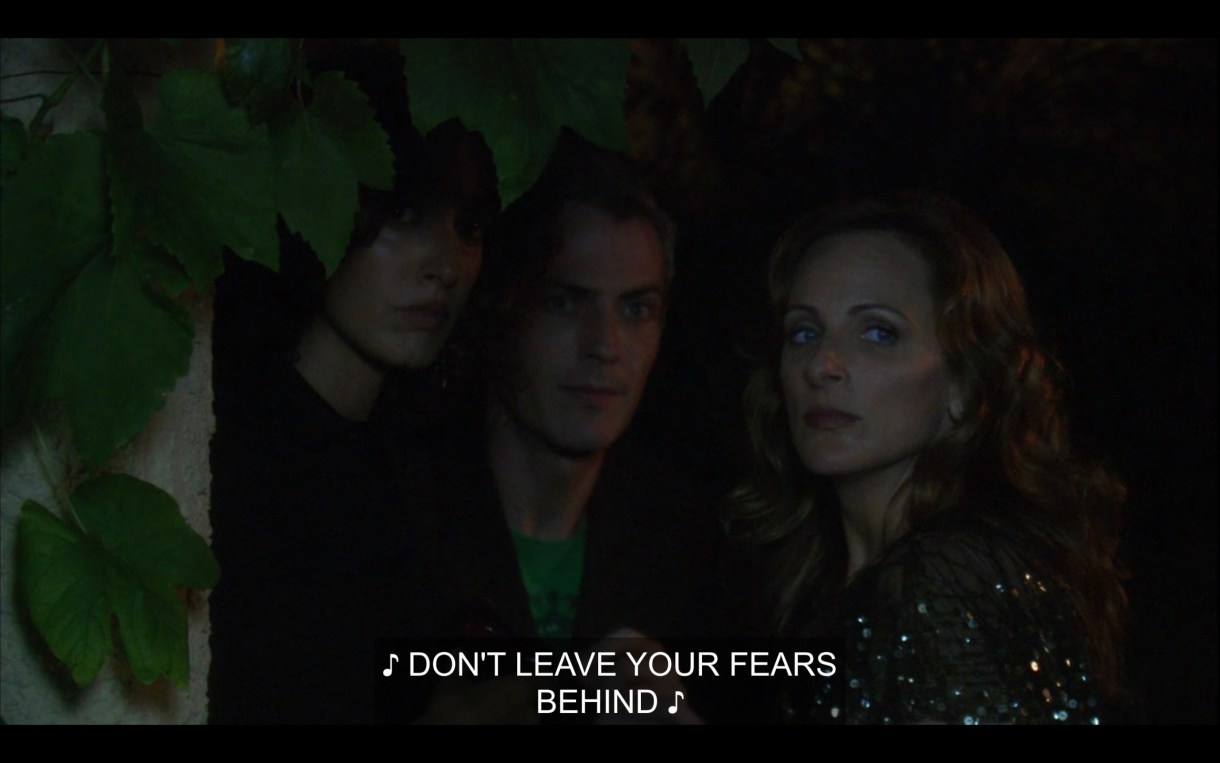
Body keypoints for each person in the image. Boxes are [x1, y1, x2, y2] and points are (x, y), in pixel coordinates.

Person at [729, 192, 1126, 724]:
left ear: (964, 382)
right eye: (804, 331)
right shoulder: (832, 580)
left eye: (877, 332)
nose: (821, 365)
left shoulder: (944, 579)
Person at [207, 45, 499, 724]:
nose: (445, 265)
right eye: (403, 215)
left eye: (470, 226)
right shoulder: (240, 456)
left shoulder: (417, 470)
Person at [421, 133, 718, 647]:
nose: (605, 344)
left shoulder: (691, 555)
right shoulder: (393, 521)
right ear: (500, 306)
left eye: (635, 309)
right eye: (563, 302)